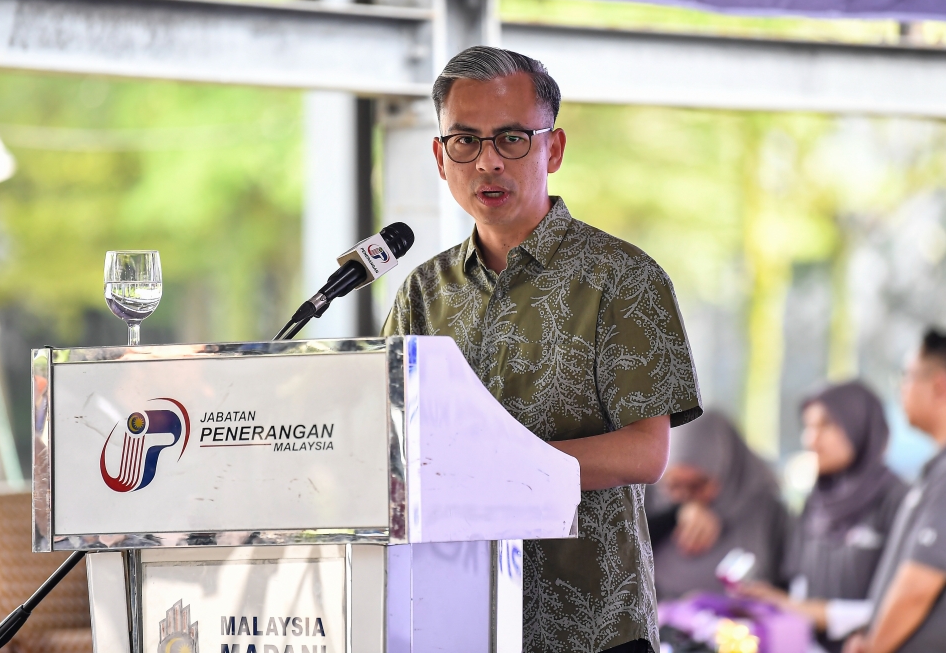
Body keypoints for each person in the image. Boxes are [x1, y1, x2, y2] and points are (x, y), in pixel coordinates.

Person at [381, 46, 702, 653]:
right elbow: (392, 440)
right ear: (440, 156)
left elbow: (645, 452)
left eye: (511, 139)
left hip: (592, 626)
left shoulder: (622, 278)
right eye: (465, 142)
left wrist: (499, 469)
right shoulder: (424, 290)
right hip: (453, 618)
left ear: (553, 148)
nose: (487, 163)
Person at [738, 382, 907, 653]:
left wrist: (804, 610)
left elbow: (906, 604)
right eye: (808, 427)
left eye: (826, 425)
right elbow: (798, 587)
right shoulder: (816, 500)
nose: (810, 440)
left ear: (859, 425)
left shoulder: (898, 500)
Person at [843, 329, 946, 653]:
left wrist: (874, 646)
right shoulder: (934, 470)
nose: (901, 388)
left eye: (907, 376)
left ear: (940, 385)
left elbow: (919, 585)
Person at [651, 411, 788, 600]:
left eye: (696, 485)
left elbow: (785, 588)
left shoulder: (767, 513)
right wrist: (675, 514)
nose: (684, 496)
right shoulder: (651, 506)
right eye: (673, 485)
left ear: (727, 469)